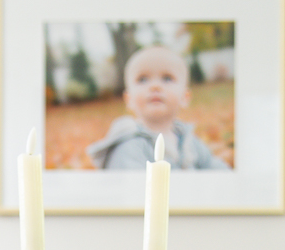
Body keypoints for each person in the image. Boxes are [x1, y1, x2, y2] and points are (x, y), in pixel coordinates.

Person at [85, 45, 228, 171]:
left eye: (167, 78)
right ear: (129, 100)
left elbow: (216, 169)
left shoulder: (187, 139)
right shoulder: (130, 145)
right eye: (143, 79)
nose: (155, 86)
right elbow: (133, 192)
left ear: (185, 97)